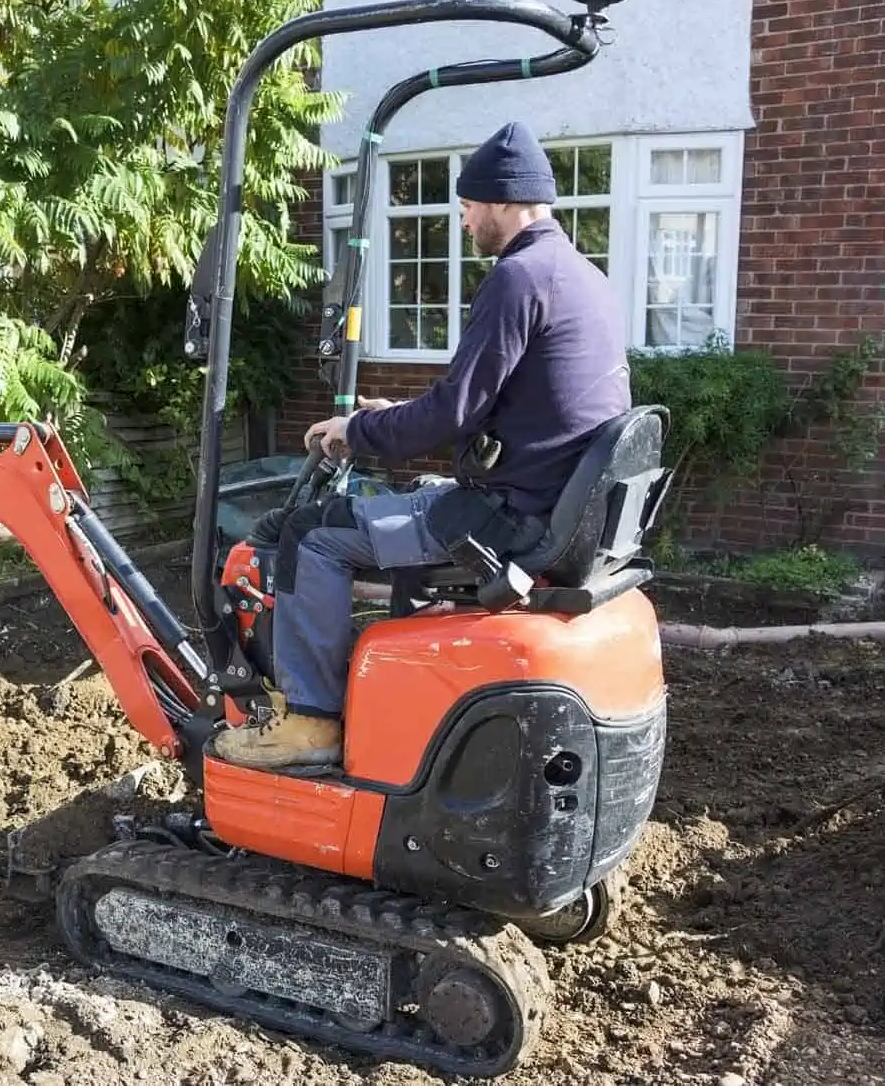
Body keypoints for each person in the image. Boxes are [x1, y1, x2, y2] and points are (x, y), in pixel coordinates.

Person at [213, 120, 633, 770]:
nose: (463, 219)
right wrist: (389, 415)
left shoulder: (517, 278)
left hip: (503, 520)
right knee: (377, 506)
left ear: (501, 199)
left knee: (306, 533)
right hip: (544, 508)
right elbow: (489, 405)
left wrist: (356, 429)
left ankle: (310, 723)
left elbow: (452, 410)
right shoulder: (580, 276)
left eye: (467, 204)